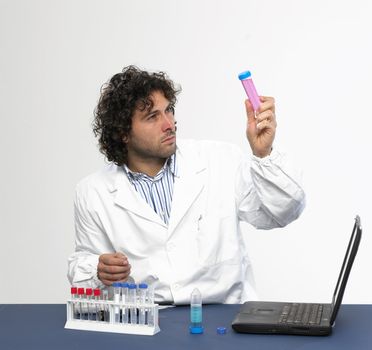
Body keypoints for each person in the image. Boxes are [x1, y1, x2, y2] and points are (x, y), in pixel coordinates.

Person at [67, 65, 305, 304]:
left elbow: (282, 212)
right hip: (150, 322)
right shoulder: (93, 192)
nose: (169, 124)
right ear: (122, 133)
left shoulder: (220, 160)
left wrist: (263, 154)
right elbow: (84, 265)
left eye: (168, 110)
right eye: (152, 117)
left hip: (224, 318)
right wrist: (97, 270)